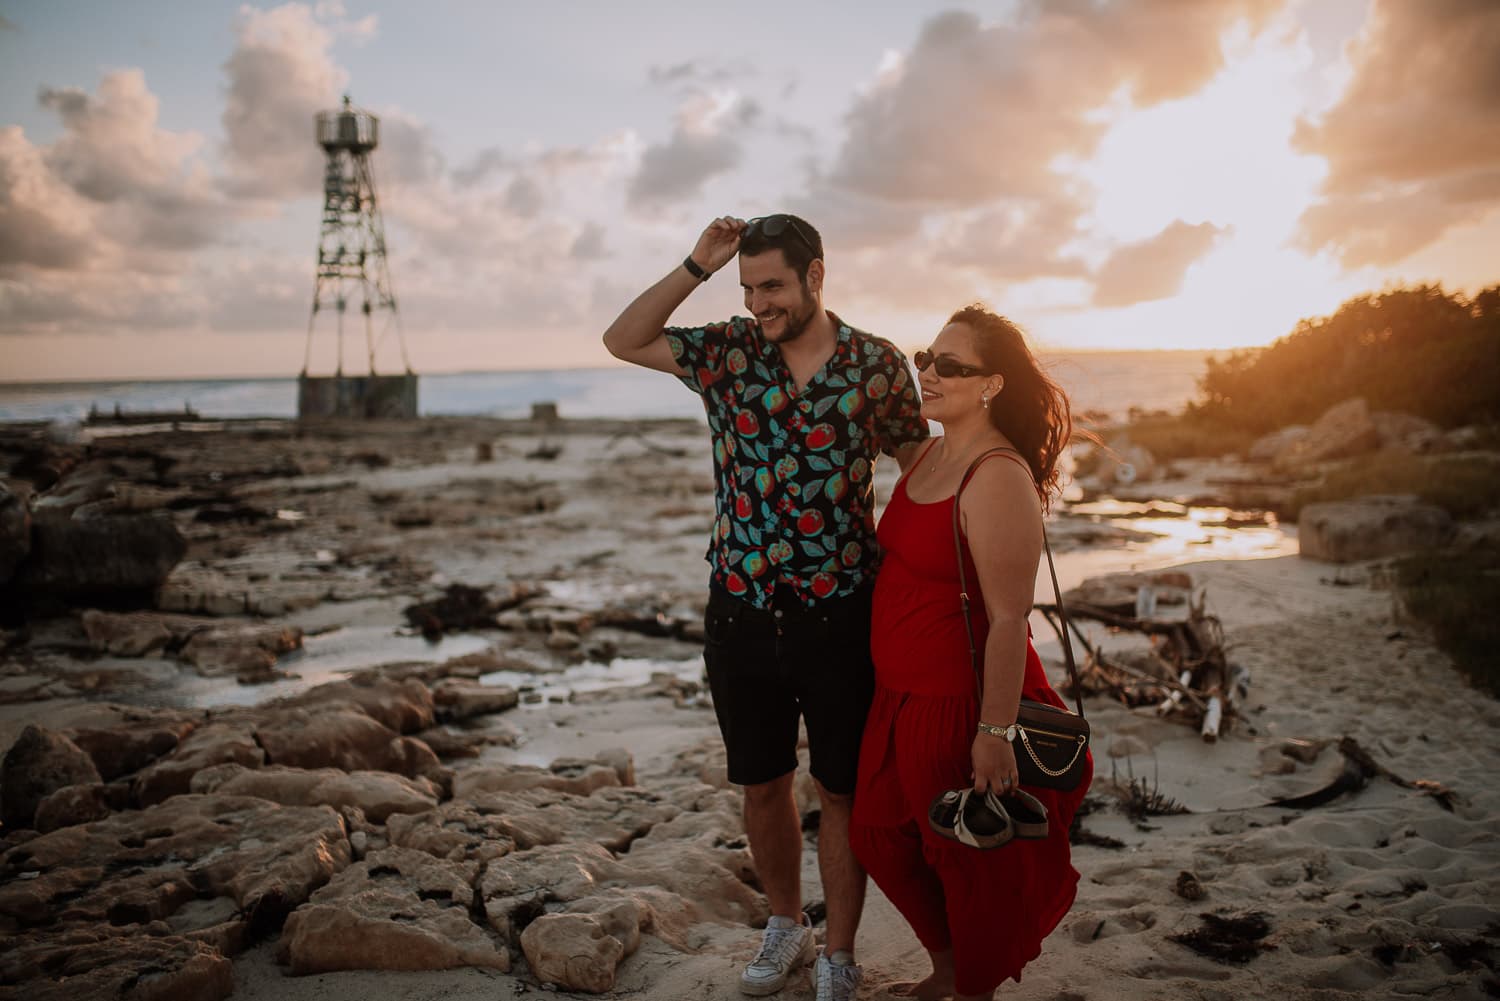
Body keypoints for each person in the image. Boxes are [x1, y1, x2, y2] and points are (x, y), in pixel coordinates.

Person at [601, 214, 929, 1000]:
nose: (758, 304)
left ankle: (841, 954)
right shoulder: (725, 350)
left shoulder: (876, 365)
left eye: (772, 286)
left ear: (817, 276)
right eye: (749, 288)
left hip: (843, 612)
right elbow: (622, 338)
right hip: (742, 609)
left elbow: (921, 470)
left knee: (842, 789)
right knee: (762, 781)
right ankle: (788, 924)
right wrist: (696, 265)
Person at [849, 304, 1092, 1001]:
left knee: (964, 855)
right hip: (896, 694)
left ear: (991, 384)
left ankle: (971, 987)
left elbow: (1012, 618)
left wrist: (993, 730)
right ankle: (950, 964)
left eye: (949, 365)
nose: (927, 371)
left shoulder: (997, 473)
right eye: (927, 357)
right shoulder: (924, 455)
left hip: (956, 701)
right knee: (876, 833)